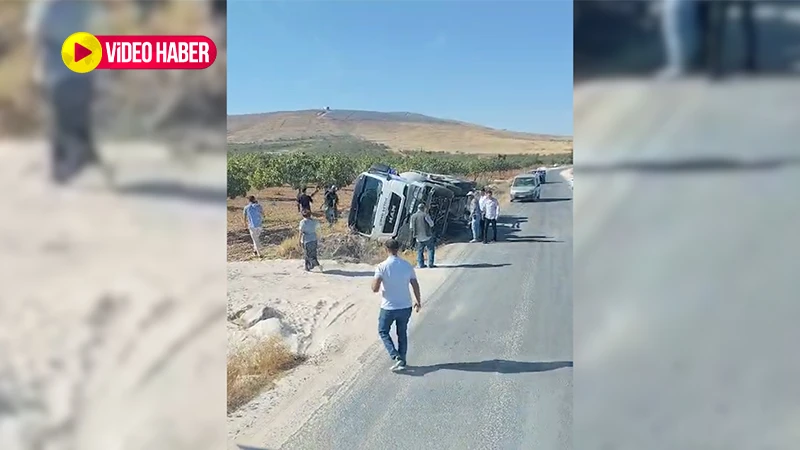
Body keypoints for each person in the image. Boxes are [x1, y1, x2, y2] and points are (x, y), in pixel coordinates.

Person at [26, 0, 110, 185]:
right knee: (73, 114)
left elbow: (36, 31)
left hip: (61, 69)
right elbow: (98, 25)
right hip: (76, 66)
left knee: (63, 116)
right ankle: (75, 157)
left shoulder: (47, 6)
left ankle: (68, 162)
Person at [371, 238, 422, 372]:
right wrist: (418, 301)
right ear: (397, 249)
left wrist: (377, 281)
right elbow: (415, 284)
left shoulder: (382, 267)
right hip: (405, 305)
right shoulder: (407, 265)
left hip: (388, 306)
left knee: (383, 331)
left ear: (386, 249)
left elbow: (374, 288)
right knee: (402, 333)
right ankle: (402, 359)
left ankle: (395, 356)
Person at [409, 203, 436, 268]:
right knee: (430, 249)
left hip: (418, 237)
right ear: (423, 208)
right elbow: (431, 224)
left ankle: (421, 264)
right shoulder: (425, 215)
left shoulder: (413, 216)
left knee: (420, 251)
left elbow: (411, 227)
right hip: (427, 236)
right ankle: (430, 264)